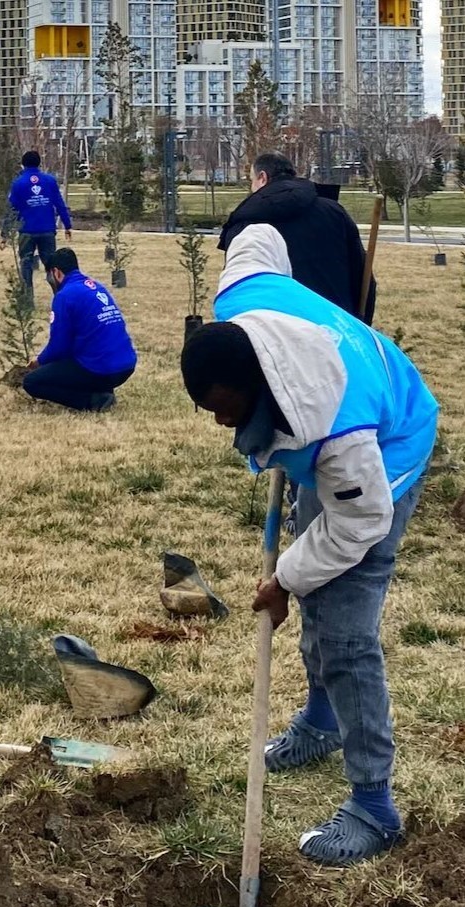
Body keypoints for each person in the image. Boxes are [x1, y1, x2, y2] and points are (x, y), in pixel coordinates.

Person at [181, 224, 438, 866]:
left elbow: (357, 523)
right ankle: (323, 721)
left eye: (226, 409)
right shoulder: (239, 305)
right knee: (313, 569)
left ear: (259, 386)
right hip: (328, 432)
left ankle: (374, 806)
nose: (219, 422)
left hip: (388, 445)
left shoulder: (340, 438)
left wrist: (286, 579)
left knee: (344, 625)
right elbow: (257, 241)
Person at [220, 152, 376, 325]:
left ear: (262, 177)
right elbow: (363, 276)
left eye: (252, 181)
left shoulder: (245, 225)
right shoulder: (333, 212)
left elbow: (238, 289)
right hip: (336, 327)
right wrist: (360, 325)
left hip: (277, 333)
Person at [22, 249, 136, 412]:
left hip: (102, 368)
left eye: (49, 277)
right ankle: (102, 389)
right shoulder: (96, 287)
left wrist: (39, 362)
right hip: (126, 365)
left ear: (56, 272)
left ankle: (93, 401)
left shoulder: (64, 296)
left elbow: (58, 347)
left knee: (32, 382)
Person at [6, 149, 73, 291]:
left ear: (23, 165)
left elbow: (11, 209)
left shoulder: (18, 183)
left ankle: (27, 298)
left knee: (26, 263)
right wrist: (67, 225)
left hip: (26, 230)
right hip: (47, 229)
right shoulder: (50, 181)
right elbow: (60, 204)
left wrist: (4, 233)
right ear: (39, 163)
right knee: (51, 265)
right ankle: (59, 294)